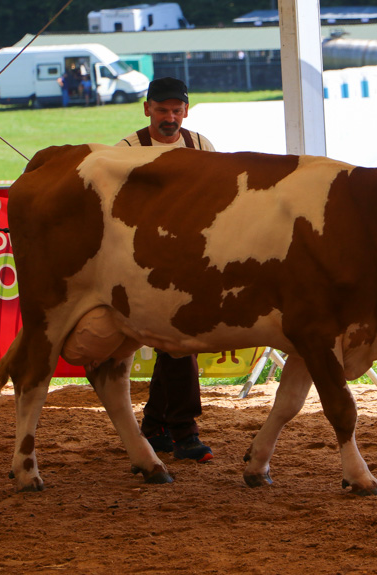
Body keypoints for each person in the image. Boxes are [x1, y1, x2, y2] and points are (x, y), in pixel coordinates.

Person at [116, 77, 215, 462]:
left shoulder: (201, 144)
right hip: (143, 260)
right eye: (162, 110)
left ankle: (156, 424)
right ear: (147, 109)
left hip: (190, 255)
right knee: (179, 343)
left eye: (176, 110)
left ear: (186, 111)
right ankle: (185, 430)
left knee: (174, 343)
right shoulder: (126, 148)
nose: (169, 118)